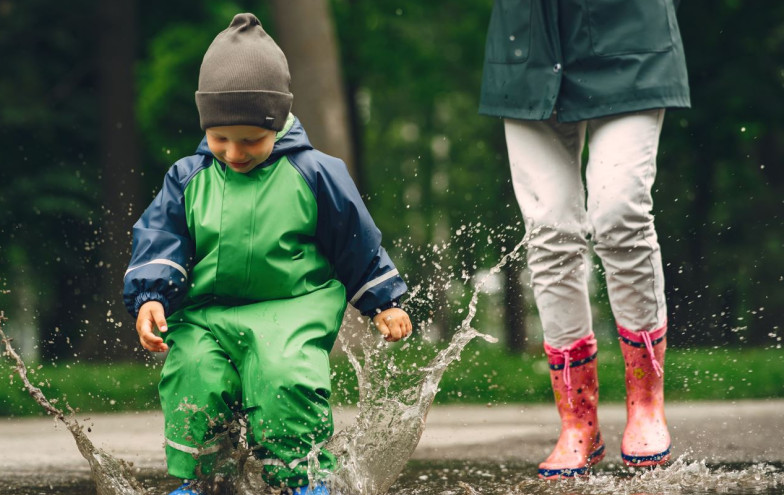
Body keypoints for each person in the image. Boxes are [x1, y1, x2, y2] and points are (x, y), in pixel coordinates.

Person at [123, 13, 412, 495]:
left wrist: (383, 300)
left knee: (284, 376)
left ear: (278, 122)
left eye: (250, 139)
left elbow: (356, 239)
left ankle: (301, 478)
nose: (234, 153)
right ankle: (203, 481)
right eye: (220, 138)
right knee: (193, 372)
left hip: (291, 309)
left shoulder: (316, 173)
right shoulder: (188, 177)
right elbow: (161, 236)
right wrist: (152, 295)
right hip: (206, 314)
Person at [478, 0, 690, 479]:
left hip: (629, 35)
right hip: (528, 42)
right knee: (551, 230)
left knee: (619, 212)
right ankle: (579, 420)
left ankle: (646, 402)